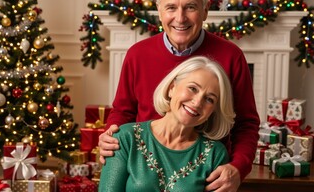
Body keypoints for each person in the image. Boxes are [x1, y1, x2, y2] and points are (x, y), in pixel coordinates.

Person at [99, 0, 260, 192]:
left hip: (206, 175)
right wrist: (111, 136)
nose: (180, 18)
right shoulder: (138, 54)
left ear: (205, 11)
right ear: (159, 9)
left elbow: (246, 124)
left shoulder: (231, 57)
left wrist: (238, 167)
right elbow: (123, 111)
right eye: (171, 7)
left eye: (191, 7)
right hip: (142, 171)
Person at [99, 56, 236, 191]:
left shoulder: (215, 154)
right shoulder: (125, 138)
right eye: (193, 89)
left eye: (209, 99)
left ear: (212, 111)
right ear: (171, 88)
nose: (198, 102)